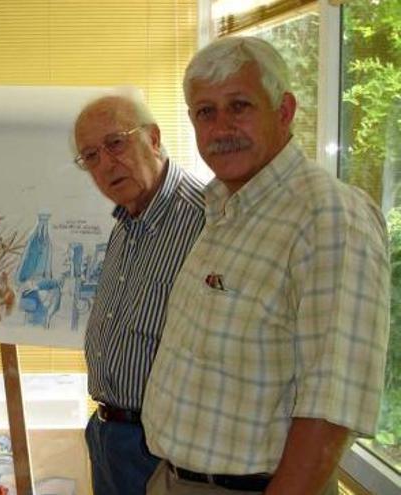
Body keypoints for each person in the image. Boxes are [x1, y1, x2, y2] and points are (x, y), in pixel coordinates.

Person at [142, 36, 390, 495]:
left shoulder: (329, 218)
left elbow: (332, 406)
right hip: (175, 478)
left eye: (239, 106)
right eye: (205, 112)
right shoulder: (224, 206)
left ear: (284, 110)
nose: (220, 128)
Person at [73, 92, 205, 494]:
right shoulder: (126, 223)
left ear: (153, 137)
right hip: (109, 436)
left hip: (166, 449)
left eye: (115, 143)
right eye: (90, 156)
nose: (106, 164)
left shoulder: (207, 220)